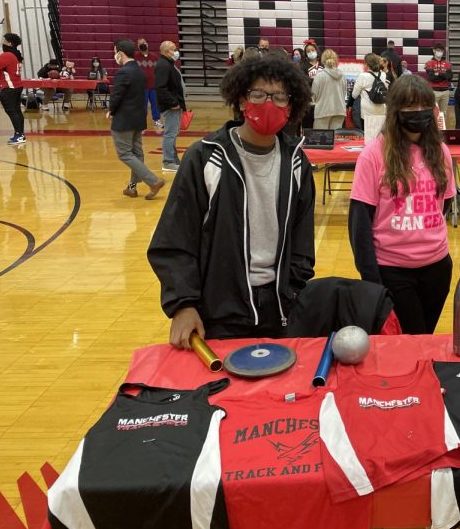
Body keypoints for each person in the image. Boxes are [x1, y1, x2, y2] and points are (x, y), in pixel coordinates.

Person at [148, 53, 316, 345]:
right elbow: (174, 239)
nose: (268, 103)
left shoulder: (297, 162)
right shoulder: (205, 157)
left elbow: (302, 241)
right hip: (219, 310)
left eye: (279, 97)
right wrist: (184, 304)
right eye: (259, 94)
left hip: (281, 308)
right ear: (240, 100)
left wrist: (294, 290)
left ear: (291, 106)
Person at [348, 75, 456, 334]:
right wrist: (372, 281)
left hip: (438, 268)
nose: (418, 113)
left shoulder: (441, 152)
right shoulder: (374, 155)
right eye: (409, 107)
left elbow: (444, 203)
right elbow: (359, 224)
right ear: (395, 110)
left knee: (424, 337)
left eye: (424, 106)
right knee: (410, 340)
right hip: (392, 272)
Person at [109, 38, 166, 200]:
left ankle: (153, 181)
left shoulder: (123, 72)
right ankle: (132, 188)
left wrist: (111, 110)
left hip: (124, 120)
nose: (114, 56)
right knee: (137, 154)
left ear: (120, 53)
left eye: (114, 53)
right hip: (138, 119)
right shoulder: (140, 71)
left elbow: (117, 95)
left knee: (125, 154)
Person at [155, 41, 186, 173]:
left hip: (175, 105)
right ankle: (167, 162)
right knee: (170, 134)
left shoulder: (168, 64)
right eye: (174, 49)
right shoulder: (163, 66)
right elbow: (161, 88)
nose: (176, 51)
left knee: (173, 133)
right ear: (166, 51)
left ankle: (173, 159)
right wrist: (173, 103)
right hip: (170, 107)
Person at [0, 33, 26, 145]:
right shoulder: (16, 55)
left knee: (11, 111)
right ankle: (20, 134)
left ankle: (19, 135)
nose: (3, 42)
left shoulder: (7, 55)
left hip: (9, 88)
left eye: (4, 40)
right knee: (17, 111)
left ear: (9, 43)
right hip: (17, 86)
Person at [351, 52, 387, 142]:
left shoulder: (363, 76)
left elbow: (354, 95)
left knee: (367, 138)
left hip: (367, 112)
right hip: (381, 109)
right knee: (379, 138)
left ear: (366, 64)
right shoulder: (383, 75)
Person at [311, 48, 346, 129]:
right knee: (336, 139)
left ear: (323, 60)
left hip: (322, 110)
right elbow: (344, 93)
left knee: (321, 139)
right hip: (339, 110)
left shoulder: (319, 76)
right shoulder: (342, 76)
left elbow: (314, 94)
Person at [135, 38, 162, 128]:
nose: (142, 44)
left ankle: (157, 120)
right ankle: (142, 123)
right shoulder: (135, 58)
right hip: (141, 87)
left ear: (147, 44)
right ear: (138, 46)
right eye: (140, 44)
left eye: (143, 43)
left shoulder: (155, 57)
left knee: (155, 103)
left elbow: (159, 70)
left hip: (154, 86)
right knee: (142, 105)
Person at [425, 43, 453, 114]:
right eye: (438, 50)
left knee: (444, 113)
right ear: (434, 50)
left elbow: (450, 77)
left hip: (445, 92)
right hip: (434, 92)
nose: (440, 52)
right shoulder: (429, 63)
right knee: (434, 113)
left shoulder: (447, 63)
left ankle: (442, 126)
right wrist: (443, 75)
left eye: (441, 50)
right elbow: (432, 78)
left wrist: (437, 74)